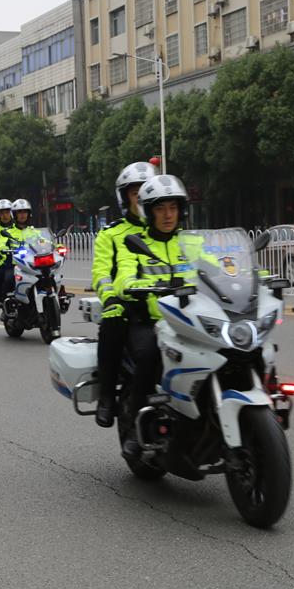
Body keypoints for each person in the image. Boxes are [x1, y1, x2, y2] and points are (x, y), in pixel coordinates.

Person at [115, 175, 199, 457]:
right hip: (152, 320)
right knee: (150, 355)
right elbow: (124, 278)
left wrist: (254, 276)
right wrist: (137, 286)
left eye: (173, 208)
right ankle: (136, 428)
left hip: (192, 319)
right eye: (160, 209)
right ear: (149, 212)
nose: (167, 215)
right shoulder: (134, 244)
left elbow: (220, 266)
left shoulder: (192, 243)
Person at [90, 161, 157, 428]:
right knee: (113, 324)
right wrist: (111, 298)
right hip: (130, 306)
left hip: (172, 306)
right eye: (134, 192)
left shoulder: (171, 231)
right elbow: (101, 272)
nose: (141, 197)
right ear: (124, 197)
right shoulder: (112, 234)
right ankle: (107, 397)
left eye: (146, 190)